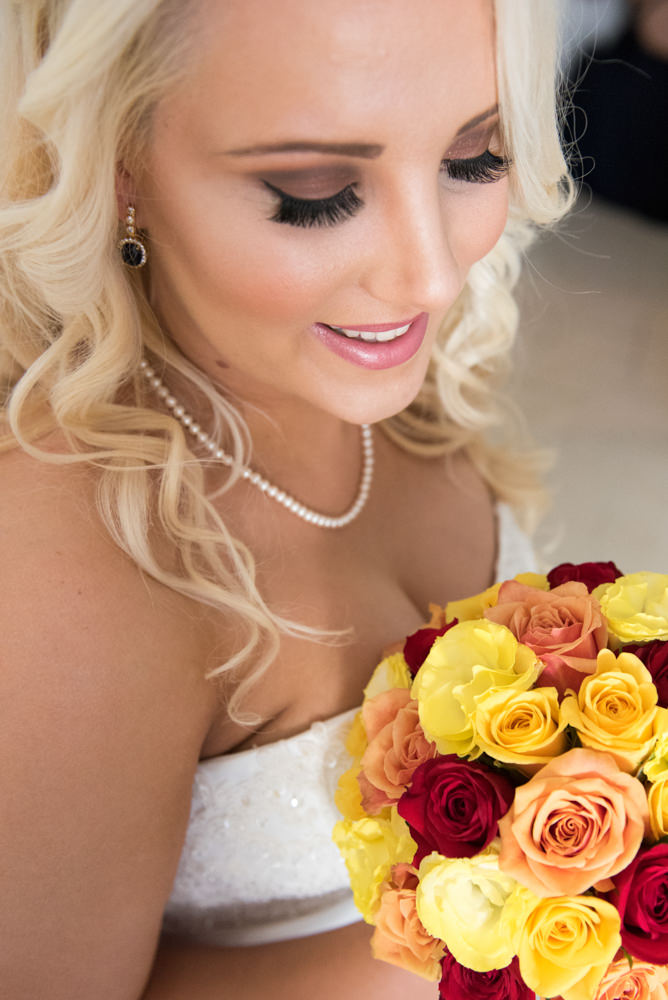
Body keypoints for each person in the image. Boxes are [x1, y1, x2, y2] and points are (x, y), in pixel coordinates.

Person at [0, 1, 573, 997]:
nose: (432, 274)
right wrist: (532, 916)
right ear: (118, 161)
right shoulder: (69, 571)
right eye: (313, 193)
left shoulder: (366, 365)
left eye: (472, 154)